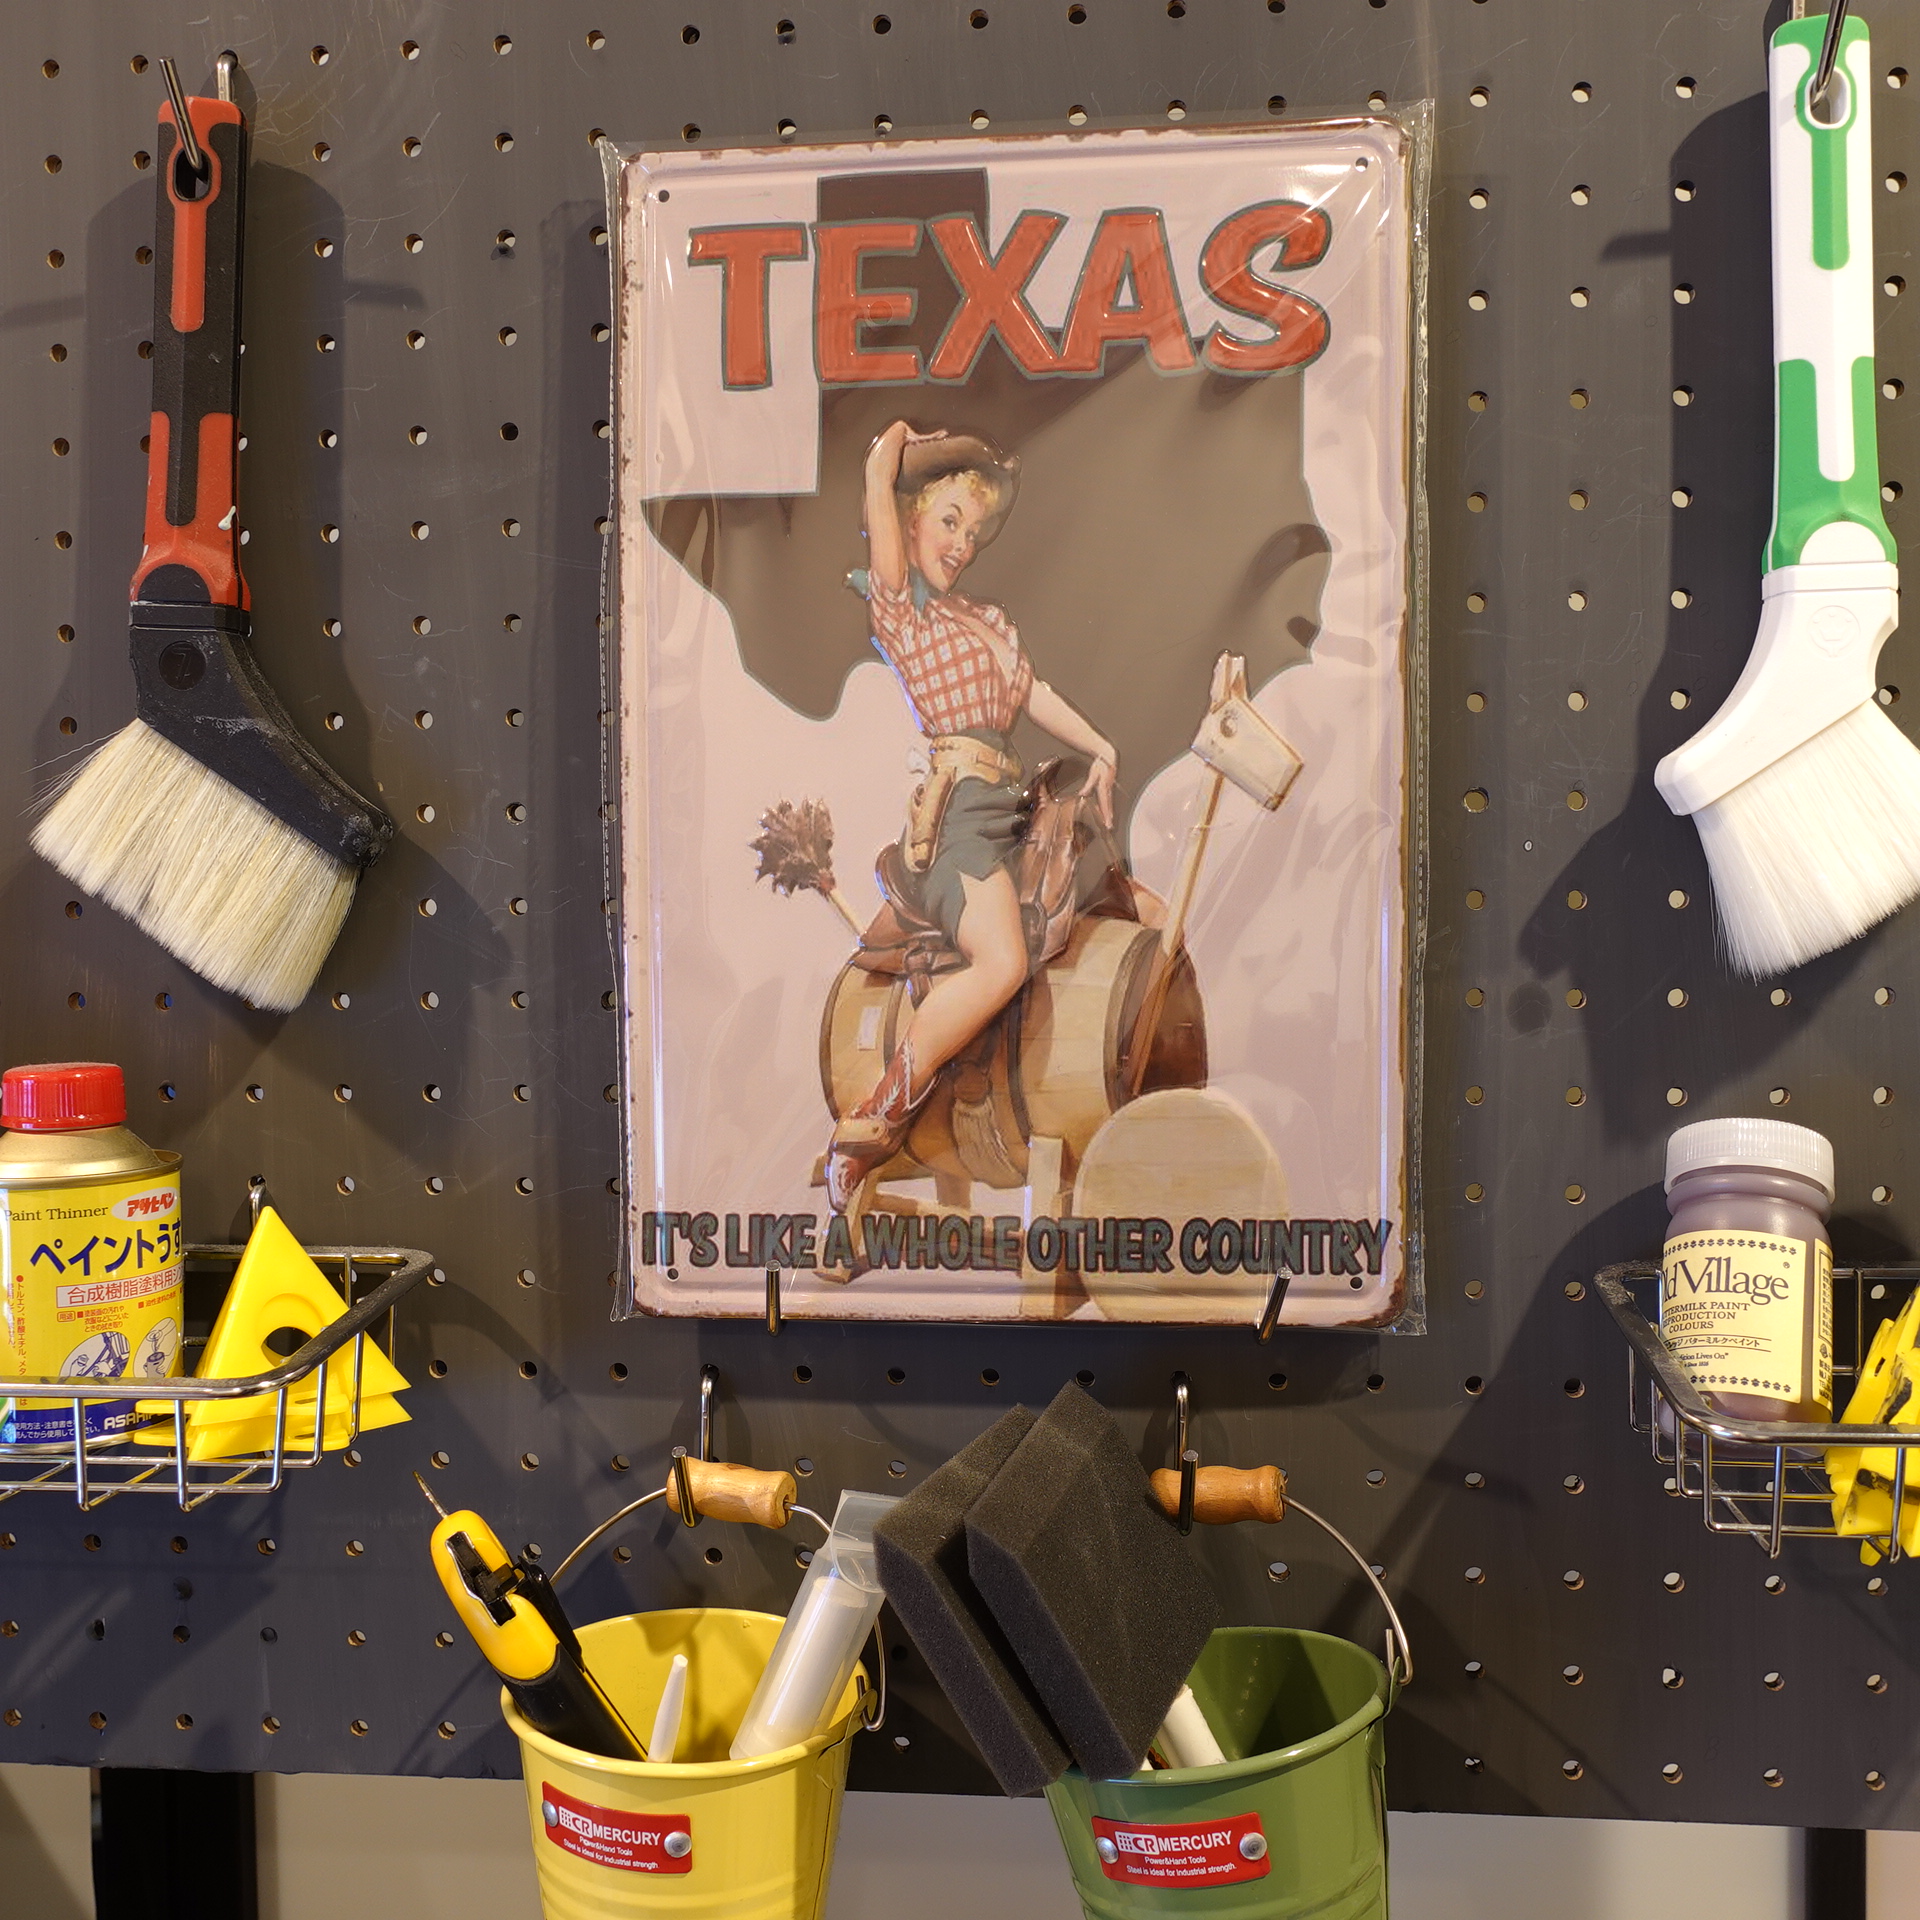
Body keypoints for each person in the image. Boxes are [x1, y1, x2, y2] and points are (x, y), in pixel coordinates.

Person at [825, 420, 1119, 1212]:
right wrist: (894, 443)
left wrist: (1102, 747)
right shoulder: (902, 613)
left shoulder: (986, 620)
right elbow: (879, 478)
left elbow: (1033, 693)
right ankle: (876, 1117)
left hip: (1009, 810)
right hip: (956, 818)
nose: (961, 542)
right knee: (1001, 963)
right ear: (913, 516)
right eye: (948, 520)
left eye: (973, 530)